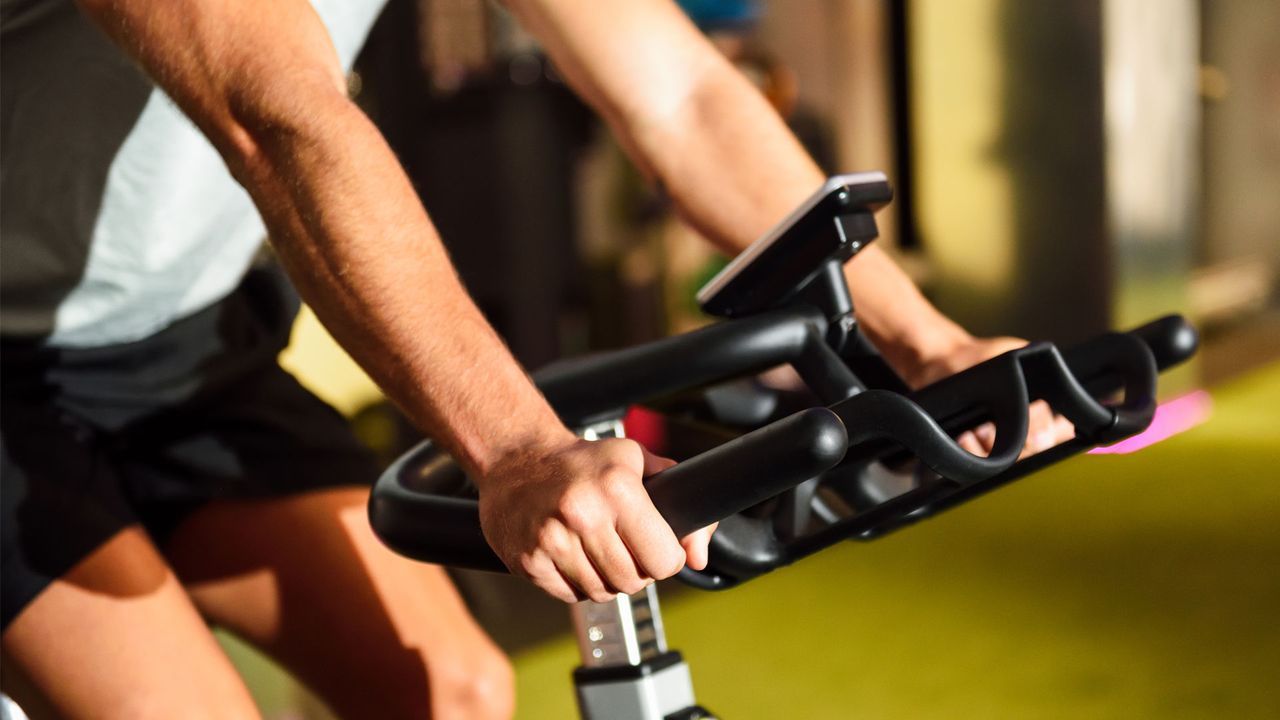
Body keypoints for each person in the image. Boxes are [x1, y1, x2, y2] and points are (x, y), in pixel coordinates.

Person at [0, 0, 1069, 717]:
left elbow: (679, 97)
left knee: (453, 691)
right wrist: (513, 447)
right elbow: (277, 123)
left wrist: (925, 344)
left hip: (179, 348)